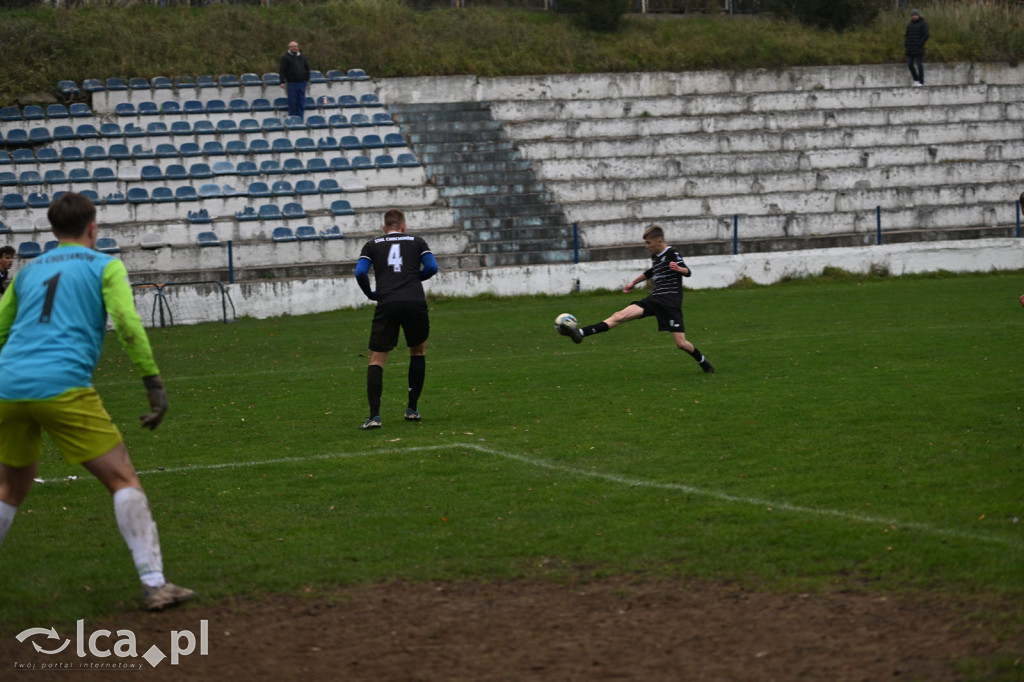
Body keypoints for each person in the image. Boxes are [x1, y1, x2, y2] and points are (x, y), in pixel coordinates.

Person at [0, 192, 194, 612]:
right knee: (122, 477)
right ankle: (155, 583)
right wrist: (152, 381)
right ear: (93, 227)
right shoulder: (105, 264)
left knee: (10, 488)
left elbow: (1, 328)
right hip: (63, 386)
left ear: (52, 231)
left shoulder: (28, 272)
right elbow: (125, 321)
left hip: (8, 386)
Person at [557, 225, 714, 374]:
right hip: (653, 300)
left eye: (648, 243)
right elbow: (651, 271)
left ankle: (703, 362)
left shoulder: (672, 253)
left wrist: (679, 269)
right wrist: (633, 282)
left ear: (659, 241)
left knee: (681, 344)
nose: (646, 246)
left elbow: (687, 272)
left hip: (670, 303)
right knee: (619, 316)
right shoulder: (656, 256)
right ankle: (580, 334)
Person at [355, 209, 439, 430]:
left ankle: (374, 417)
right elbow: (432, 267)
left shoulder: (372, 244)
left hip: (388, 302)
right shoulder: (417, 241)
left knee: (376, 360)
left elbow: (360, 273)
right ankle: (412, 409)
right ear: (403, 226)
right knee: (418, 352)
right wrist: (414, 278)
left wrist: (370, 293)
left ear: (384, 228)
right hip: (415, 301)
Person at [279, 40, 311, 120]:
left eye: (295, 46)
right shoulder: (285, 57)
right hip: (292, 83)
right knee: (292, 102)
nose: (294, 48)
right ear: (289, 48)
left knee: (301, 101)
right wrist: (282, 81)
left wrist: (307, 79)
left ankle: (300, 118)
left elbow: (307, 68)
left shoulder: (302, 57)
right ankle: (293, 119)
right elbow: (282, 70)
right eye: (292, 46)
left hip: (302, 82)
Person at [905, 9, 929, 87]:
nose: (914, 16)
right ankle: (916, 79)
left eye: (915, 15)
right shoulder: (910, 25)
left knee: (919, 65)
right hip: (910, 49)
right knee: (910, 64)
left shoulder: (923, 24)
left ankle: (921, 81)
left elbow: (926, 35)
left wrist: (920, 43)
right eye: (913, 15)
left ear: (918, 15)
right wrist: (906, 45)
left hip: (919, 48)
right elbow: (907, 35)